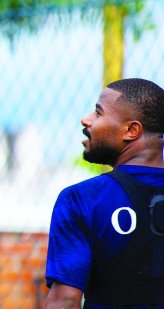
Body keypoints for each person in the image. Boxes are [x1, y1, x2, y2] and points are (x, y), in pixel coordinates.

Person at [45, 78, 164, 309]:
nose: (86, 119)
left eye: (98, 113)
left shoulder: (83, 200)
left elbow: (64, 302)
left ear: (131, 130)